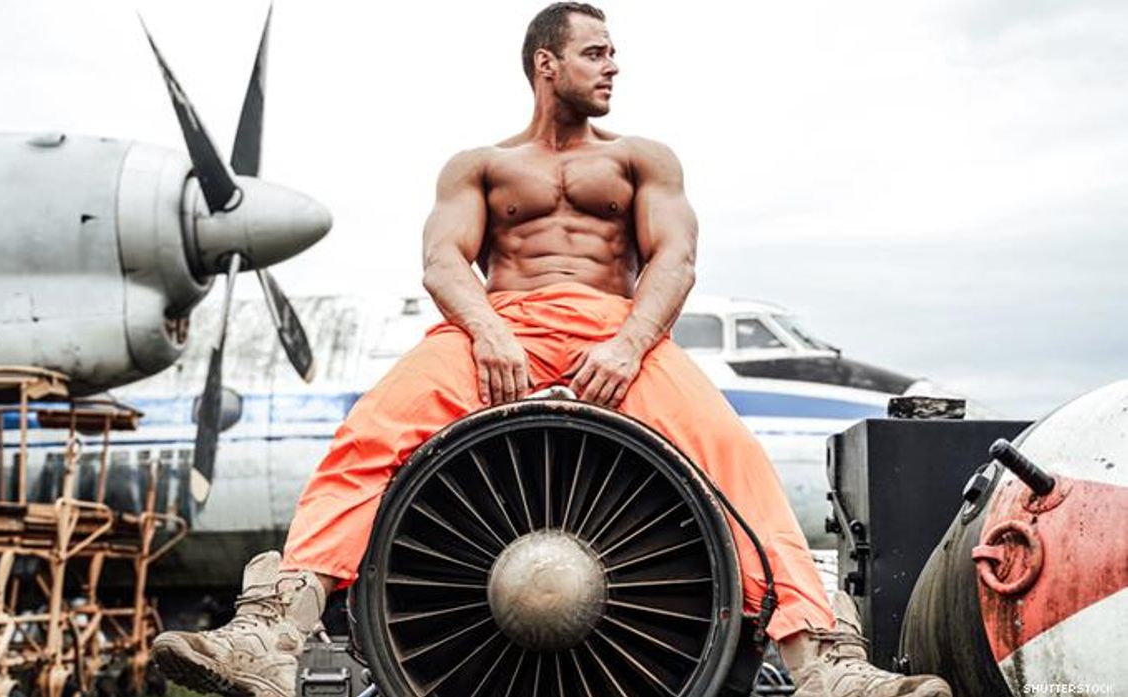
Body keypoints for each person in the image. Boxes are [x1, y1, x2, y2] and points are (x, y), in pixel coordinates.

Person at [151, 4, 952, 697]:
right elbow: (441, 262)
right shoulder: (479, 165)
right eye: (595, 52)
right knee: (369, 433)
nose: (614, 67)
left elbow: (673, 260)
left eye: (612, 53)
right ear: (546, 63)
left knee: (733, 461)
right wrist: (490, 330)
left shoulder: (642, 158)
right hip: (498, 327)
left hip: (616, 331)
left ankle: (822, 663)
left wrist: (629, 342)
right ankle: (267, 637)